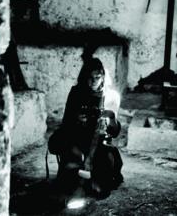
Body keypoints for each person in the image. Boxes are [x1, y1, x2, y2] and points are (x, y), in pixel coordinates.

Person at [48, 58, 123, 198]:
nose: (93, 81)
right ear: (84, 77)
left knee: (100, 186)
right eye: (89, 77)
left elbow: (115, 132)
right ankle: (72, 178)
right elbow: (66, 123)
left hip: (98, 139)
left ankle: (92, 178)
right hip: (77, 136)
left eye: (97, 77)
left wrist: (111, 118)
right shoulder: (76, 92)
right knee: (70, 157)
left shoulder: (111, 96)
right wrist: (77, 119)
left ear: (103, 77)